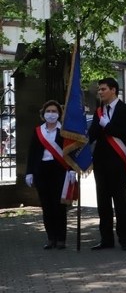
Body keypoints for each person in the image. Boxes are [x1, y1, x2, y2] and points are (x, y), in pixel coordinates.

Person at [87, 77, 126, 250]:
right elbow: (92, 133)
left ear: (113, 90)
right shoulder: (99, 110)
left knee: (120, 201)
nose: (100, 92)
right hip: (100, 161)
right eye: (99, 89)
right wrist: (80, 141)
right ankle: (106, 239)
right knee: (103, 202)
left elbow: (125, 134)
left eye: (103, 89)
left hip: (117, 161)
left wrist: (107, 125)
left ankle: (125, 239)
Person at [25, 100, 74, 249]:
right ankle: (51, 237)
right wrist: (29, 172)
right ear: (43, 113)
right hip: (42, 170)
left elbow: (71, 151)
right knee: (46, 207)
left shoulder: (64, 131)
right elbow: (32, 153)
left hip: (59, 170)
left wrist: (72, 169)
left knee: (59, 206)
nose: (51, 114)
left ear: (59, 114)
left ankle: (61, 238)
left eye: (54, 111)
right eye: (49, 111)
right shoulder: (38, 131)